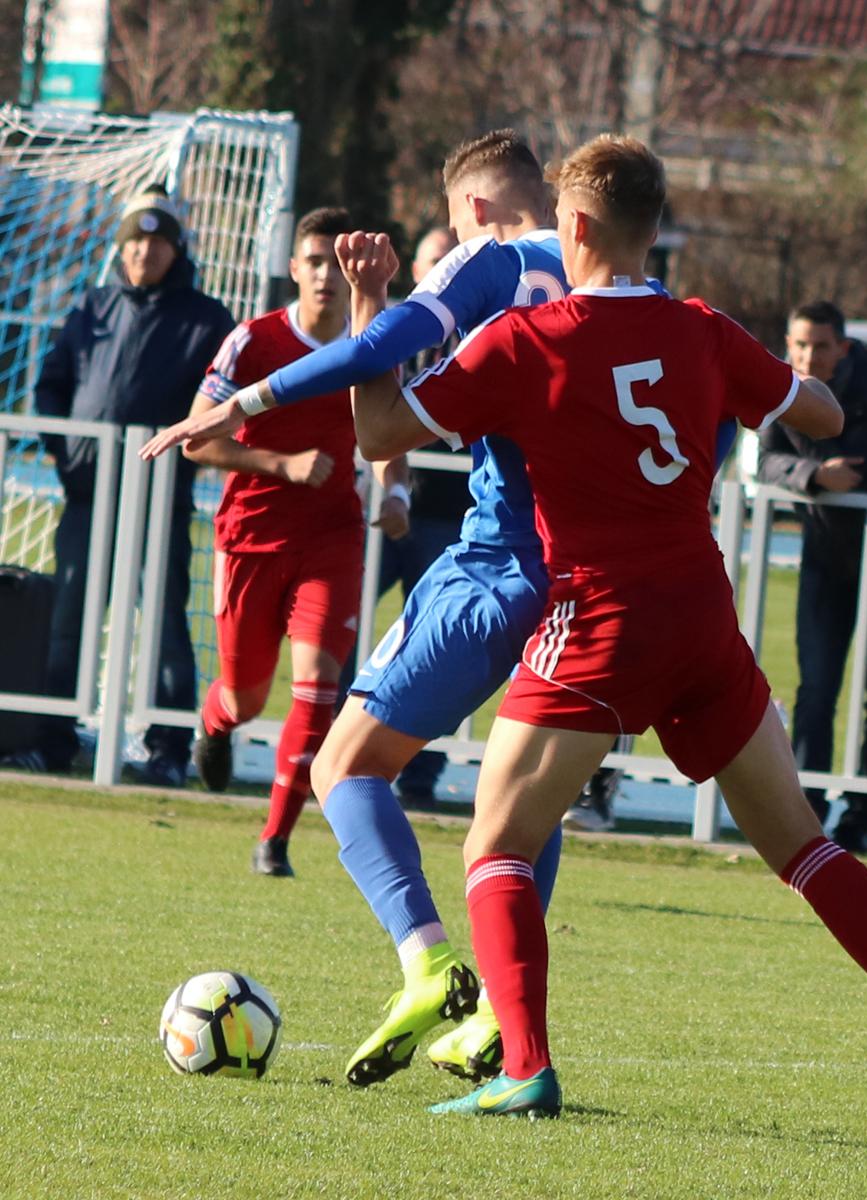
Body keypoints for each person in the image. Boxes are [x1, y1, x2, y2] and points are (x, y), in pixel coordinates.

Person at [349, 135, 867, 1154]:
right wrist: (745, 389)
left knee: (496, 848)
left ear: (573, 226)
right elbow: (822, 411)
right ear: (653, 230)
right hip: (701, 618)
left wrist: (371, 310)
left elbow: (379, 430)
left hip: (600, 623)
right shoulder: (701, 328)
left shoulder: (529, 339)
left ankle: (525, 1071)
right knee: (804, 845)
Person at [141, 130, 569, 1088]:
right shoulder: (623, 285)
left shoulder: (493, 261)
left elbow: (377, 374)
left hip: (498, 563)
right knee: (526, 808)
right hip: (594, 583)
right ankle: (505, 1025)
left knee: (345, 764)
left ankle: (427, 964)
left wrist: (237, 405)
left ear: (474, 210)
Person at [181, 206, 410, 877]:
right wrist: (280, 465)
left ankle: (274, 840)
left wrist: (395, 493)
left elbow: (389, 432)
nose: (324, 276)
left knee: (317, 688)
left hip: (331, 541)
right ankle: (216, 722)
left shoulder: (373, 345)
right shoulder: (252, 340)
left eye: (335, 264)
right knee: (246, 697)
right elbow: (197, 438)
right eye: (313, 261)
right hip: (250, 538)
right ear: (293, 268)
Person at [11, 185, 234, 784]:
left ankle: (169, 750)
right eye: (135, 241)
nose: (144, 252)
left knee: (163, 623)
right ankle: (50, 739)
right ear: (121, 247)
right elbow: (51, 385)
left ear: (176, 249)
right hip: (88, 497)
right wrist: (67, 454)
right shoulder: (92, 307)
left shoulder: (207, 318)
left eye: (157, 242)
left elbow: (222, 404)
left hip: (161, 501)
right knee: (68, 618)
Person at [757, 303, 867, 852]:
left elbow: (857, 463)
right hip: (825, 554)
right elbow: (767, 461)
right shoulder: (778, 382)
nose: (809, 357)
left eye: (822, 346)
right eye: (800, 345)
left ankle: (862, 814)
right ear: (788, 343)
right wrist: (812, 474)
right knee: (816, 688)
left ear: (844, 348)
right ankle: (809, 810)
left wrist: (818, 471)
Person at [339, 225, 468, 813]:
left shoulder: (482, 328)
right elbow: (371, 410)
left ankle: (420, 772)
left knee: (436, 648)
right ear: (415, 269)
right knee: (342, 623)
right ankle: (334, 747)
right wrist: (393, 491)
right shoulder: (401, 329)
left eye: (453, 258)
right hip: (386, 508)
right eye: (435, 260)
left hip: (453, 519)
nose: (445, 268)